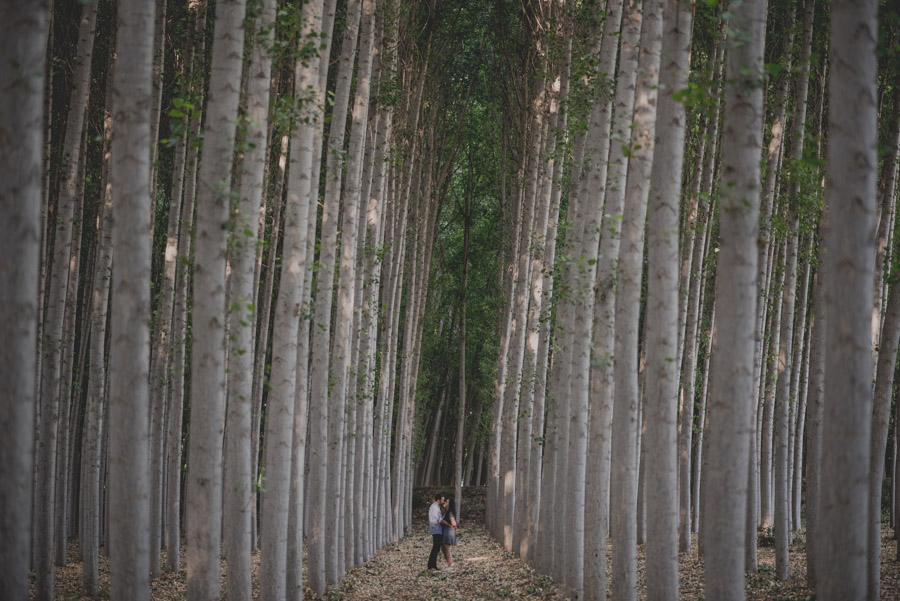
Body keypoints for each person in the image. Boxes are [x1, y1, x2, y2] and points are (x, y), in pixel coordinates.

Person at [427, 493, 445, 570]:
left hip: (437, 529)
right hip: (436, 530)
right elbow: (439, 520)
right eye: (442, 500)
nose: (443, 501)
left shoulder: (436, 507)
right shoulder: (435, 508)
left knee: (436, 548)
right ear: (439, 500)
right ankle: (431, 565)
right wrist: (449, 524)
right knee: (435, 548)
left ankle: (433, 565)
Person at [440, 498, 457, 569]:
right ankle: (449, 564)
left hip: (448, 532)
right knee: (443, 549)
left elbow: (453, 523)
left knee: (447, 549)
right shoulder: (446, 512)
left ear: (449, 505)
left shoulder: (449, 513)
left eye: (447, 502)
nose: (445, 503)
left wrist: (450, 525)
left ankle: (450, 565)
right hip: (446, 531)